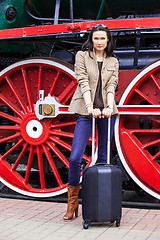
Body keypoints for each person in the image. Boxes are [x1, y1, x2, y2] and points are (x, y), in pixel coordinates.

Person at [63, 24, 119, 220]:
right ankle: (72, 202)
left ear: (108, 40)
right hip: (86, 110)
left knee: (103, 158)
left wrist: (109, 107)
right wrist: (89, 107)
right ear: (91, 40)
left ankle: (101, 204)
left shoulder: (113, 61)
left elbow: (112, 85)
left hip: (106, 112)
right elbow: (83, 80)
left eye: (103, 39)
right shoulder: (81, 56)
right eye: (96, 38)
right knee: (75, 158)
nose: (100, 42)